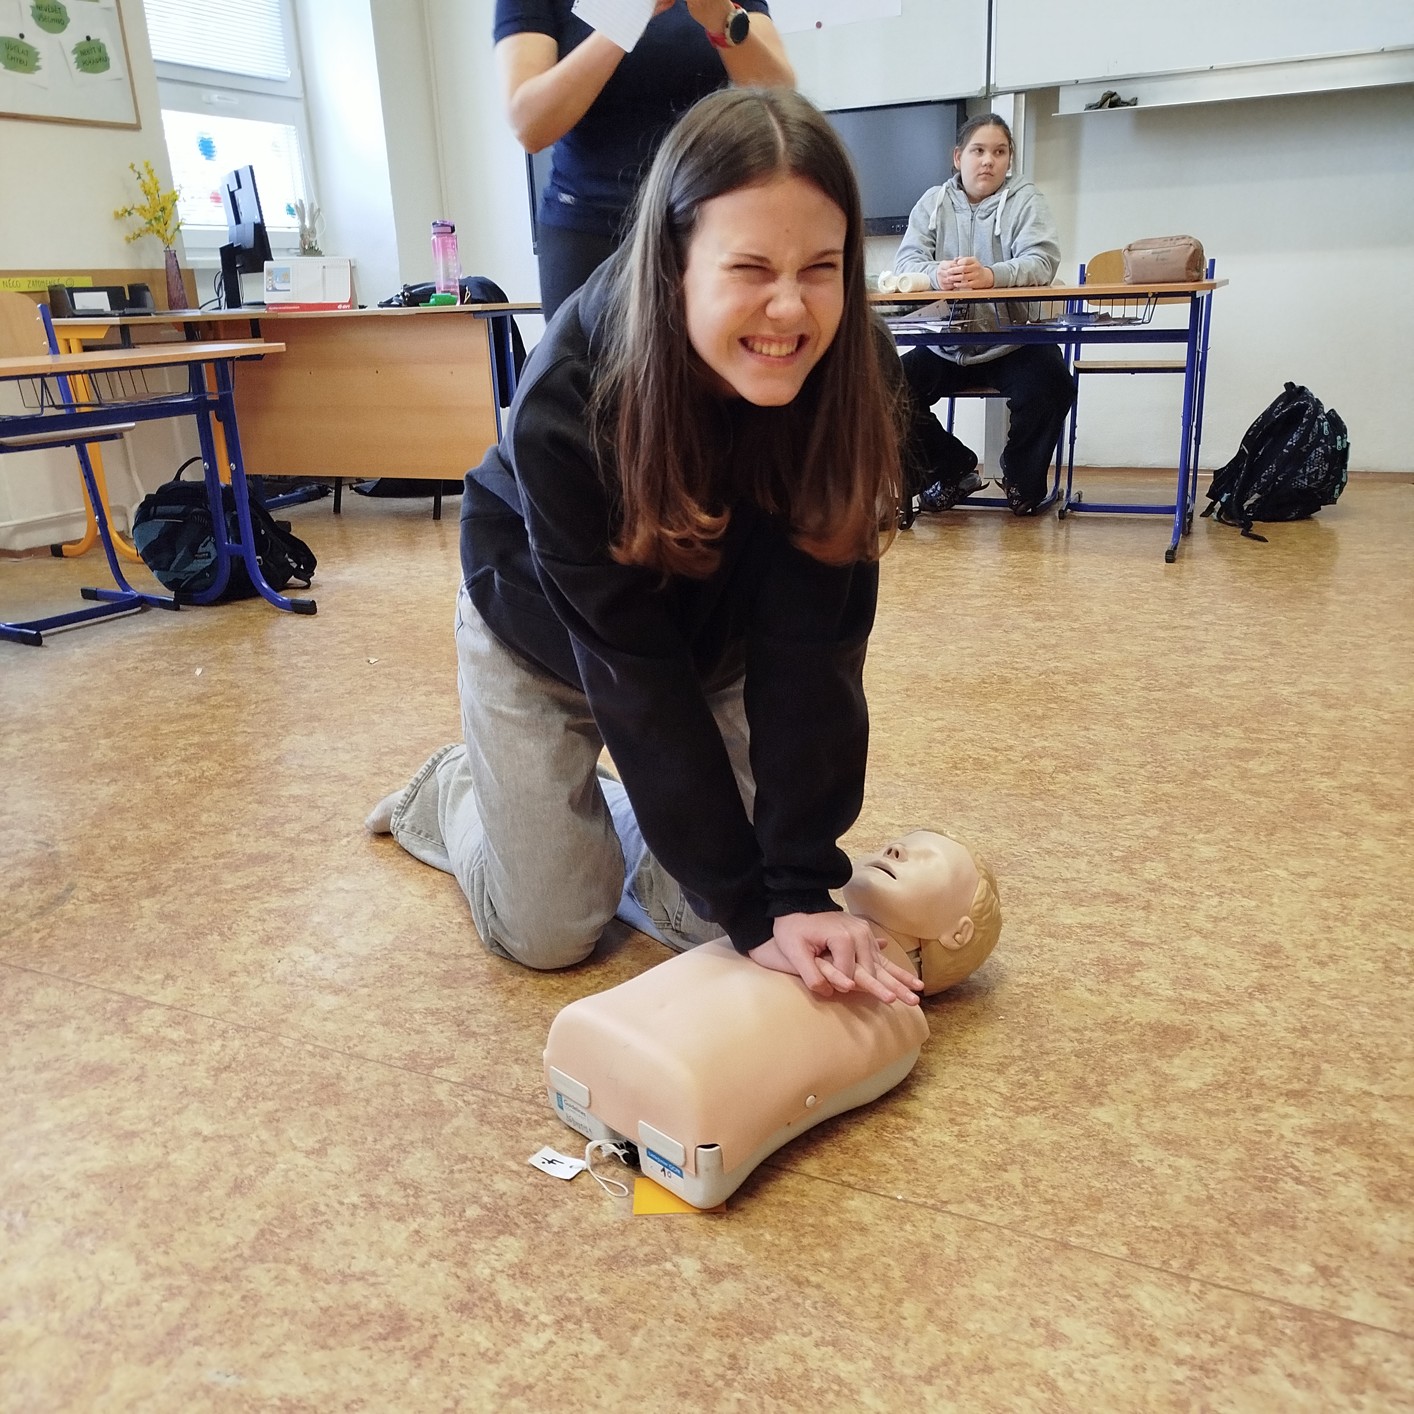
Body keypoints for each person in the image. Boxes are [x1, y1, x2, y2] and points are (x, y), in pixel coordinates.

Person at [368, 87, 916, 1008]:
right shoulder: (572, 399)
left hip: (712, 637)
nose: (789, 309)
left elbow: (817, 650)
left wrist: (790, 890)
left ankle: (610, 820)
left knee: (726, 917)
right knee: (551, 933)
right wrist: (754, 900)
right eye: (749, 268)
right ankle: (454, 788)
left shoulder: (855, 370)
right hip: (549, 633)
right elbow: (636, 676)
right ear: (674, 263)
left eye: (821, 269)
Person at [542, 827, 1002, 1208]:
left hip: (680, 1093)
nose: (895, 848)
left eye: (926, 858)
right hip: (631, 1052)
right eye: (898, 842)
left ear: (958, 934)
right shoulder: (794, 919)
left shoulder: (900, 1022)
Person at [495, 0, 794, 319]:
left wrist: (722, 18)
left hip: (702, 224)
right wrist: (627, 17)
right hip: (590, 228)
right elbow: (530, 125)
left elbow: (780, 100)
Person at [893, 112, 1073, 516]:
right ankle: (951, 468)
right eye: (978, 151)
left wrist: (992, 276)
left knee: (1053, 385)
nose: (988, 160)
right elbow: (906, 262)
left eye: (999, 152)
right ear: (958, 157)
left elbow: (1042, 260)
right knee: (883, 389)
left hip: (1014, 340)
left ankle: (1021, 478)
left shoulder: (1026, 200)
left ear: (1009, 160)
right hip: (945, 343)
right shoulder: (933, 202)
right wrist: (936, 275)